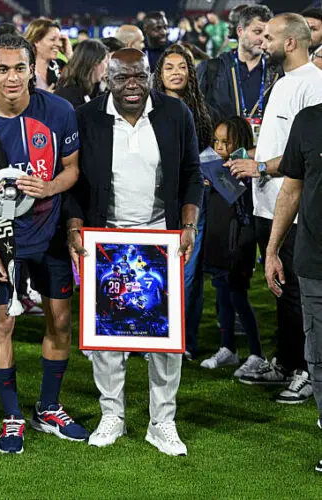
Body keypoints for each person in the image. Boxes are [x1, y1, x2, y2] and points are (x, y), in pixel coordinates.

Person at [66, 48, 203, 456]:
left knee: (167, 337)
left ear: (151, 76)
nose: (132, 86)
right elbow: (72, 180)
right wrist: (75, 227)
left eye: (139, 77)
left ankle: (162, 421)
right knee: (108, 333)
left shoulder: (176, 115)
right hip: (105, 235)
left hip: (161, 234)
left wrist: (189, 224)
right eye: (122, 78)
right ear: (106, 78)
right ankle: (113, 414)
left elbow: (193, 174)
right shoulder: (87, 117)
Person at [0, 34, 87, 454]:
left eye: (20, 67)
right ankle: (12, 414)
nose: (12, 77)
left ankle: (49, 407)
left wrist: (48, 186)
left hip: (50, 233)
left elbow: (72, 170)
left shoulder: (59, 111)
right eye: (3, 69)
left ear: (32, 69)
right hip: (1, 241)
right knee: (1, 324)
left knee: (60, 321)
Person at [225, 13, 322, 404]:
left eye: (269, 36)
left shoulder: (313, 85)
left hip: (295, 206)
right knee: (280, 288)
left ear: (292, 42)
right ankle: (285, 361)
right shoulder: (283, 81)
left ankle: (306, 370)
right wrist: (253, 155)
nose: (263, 41)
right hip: (268, 202)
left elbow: (307, 154)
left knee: (299, 291)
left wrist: (262, 166)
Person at [264, 100, 322, 474]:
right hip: (313, 261)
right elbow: (291, 190)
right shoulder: (308, 120)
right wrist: (272, 250)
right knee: (318, 357)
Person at [153, 44, 213, 358]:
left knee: (189, 272)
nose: (177, 73)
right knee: (156, 270)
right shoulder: (146, 109)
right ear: (159, 74)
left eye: (182, 67)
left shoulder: (199, 110)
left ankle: (184, 340)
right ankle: (154, 334)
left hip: (192, 203)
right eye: (169, 67)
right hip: (155, 203)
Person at [200, 117, 264, 375]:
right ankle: (228, 349)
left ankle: (257, 353)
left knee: (238, 297)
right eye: (216, 141)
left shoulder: (245, 170)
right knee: (222, 297)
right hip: (217, 241)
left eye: (225, 142)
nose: (218, 147)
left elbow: (243, 204)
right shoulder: (213, 167)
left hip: (238, 242)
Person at [198, 5, 277, 124]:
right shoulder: (212, 69)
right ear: (240, 31)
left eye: (266, 35)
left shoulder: (277, 72)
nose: (262, 39)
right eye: (257, 32)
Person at [55, 39, 108, 108]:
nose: (107, 66)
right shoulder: (69, 93)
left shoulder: (94, 88)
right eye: (105, 61)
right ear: (95, 63)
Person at [24, 19, 64, 91]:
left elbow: (84, 83)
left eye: (59, 40)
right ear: (36, 41)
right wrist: (45, 98)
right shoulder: (22, 70)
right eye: (52, 39)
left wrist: (69, 54)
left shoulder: (60, 66)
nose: (59, 44)